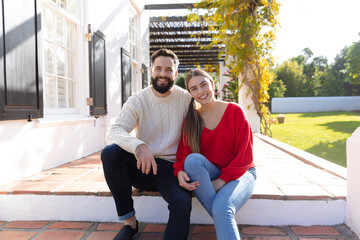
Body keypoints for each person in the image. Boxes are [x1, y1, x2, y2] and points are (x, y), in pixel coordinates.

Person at [101, 49, 193, 240]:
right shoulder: (139, 99)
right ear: (151, 71)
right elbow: (114, 130)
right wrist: (139, 146)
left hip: (172, 169)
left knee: (182, 203)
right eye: (158, 68)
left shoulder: (186, 99)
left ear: (176, 74)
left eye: (168, 70)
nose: (163, 74)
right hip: (142, 167)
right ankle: (130, 223)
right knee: (110, 153)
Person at [173, 69, 256, 240]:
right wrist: (179, 171)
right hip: (213, 172)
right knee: (192, 160)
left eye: (204, 85)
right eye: (194, 88)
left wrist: (220, 182)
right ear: (190, 94)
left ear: (212, 84)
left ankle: (222, 214)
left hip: (242, 172)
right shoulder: (191, 119)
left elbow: (245, 157)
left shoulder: (235, 111)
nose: (201, 91)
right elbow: (183, 155)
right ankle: (223, 218)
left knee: (221, 208)